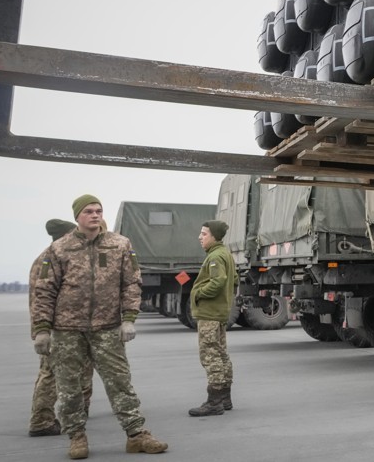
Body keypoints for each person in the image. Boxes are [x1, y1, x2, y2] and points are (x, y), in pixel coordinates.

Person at [31, 194, 168, 458]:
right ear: (77, 217)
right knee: (69, 386)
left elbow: (131, 283)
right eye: (89, 211)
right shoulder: (59, 249)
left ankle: (136, 435)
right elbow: (45, 289)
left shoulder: (120, 244)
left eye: (98, 210)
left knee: (120, 382)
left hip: (107, 327)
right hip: (68, 328)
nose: (95, 215)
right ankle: (76, 437)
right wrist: (42, 329)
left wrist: (129, 319)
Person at [28, 219, 94, 437]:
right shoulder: (51, 258)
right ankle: (42, 421)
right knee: (51, 373)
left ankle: (67, 414)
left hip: (59, 326)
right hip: (56, 328)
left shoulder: (51, 256)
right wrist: (43, 330)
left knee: (62, 371)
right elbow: (44, 298)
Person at [188, 220, 237, 417]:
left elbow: (219, 281)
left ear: (214, 236)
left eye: (204, 234)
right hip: (219, 313)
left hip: (210, 313)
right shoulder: (225, 254)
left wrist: (199, 293)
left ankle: (214, 401)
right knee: (221, 353)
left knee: (210, 354)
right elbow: (234, 280)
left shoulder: (215, 256)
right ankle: (225, 398)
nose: (200, 237)